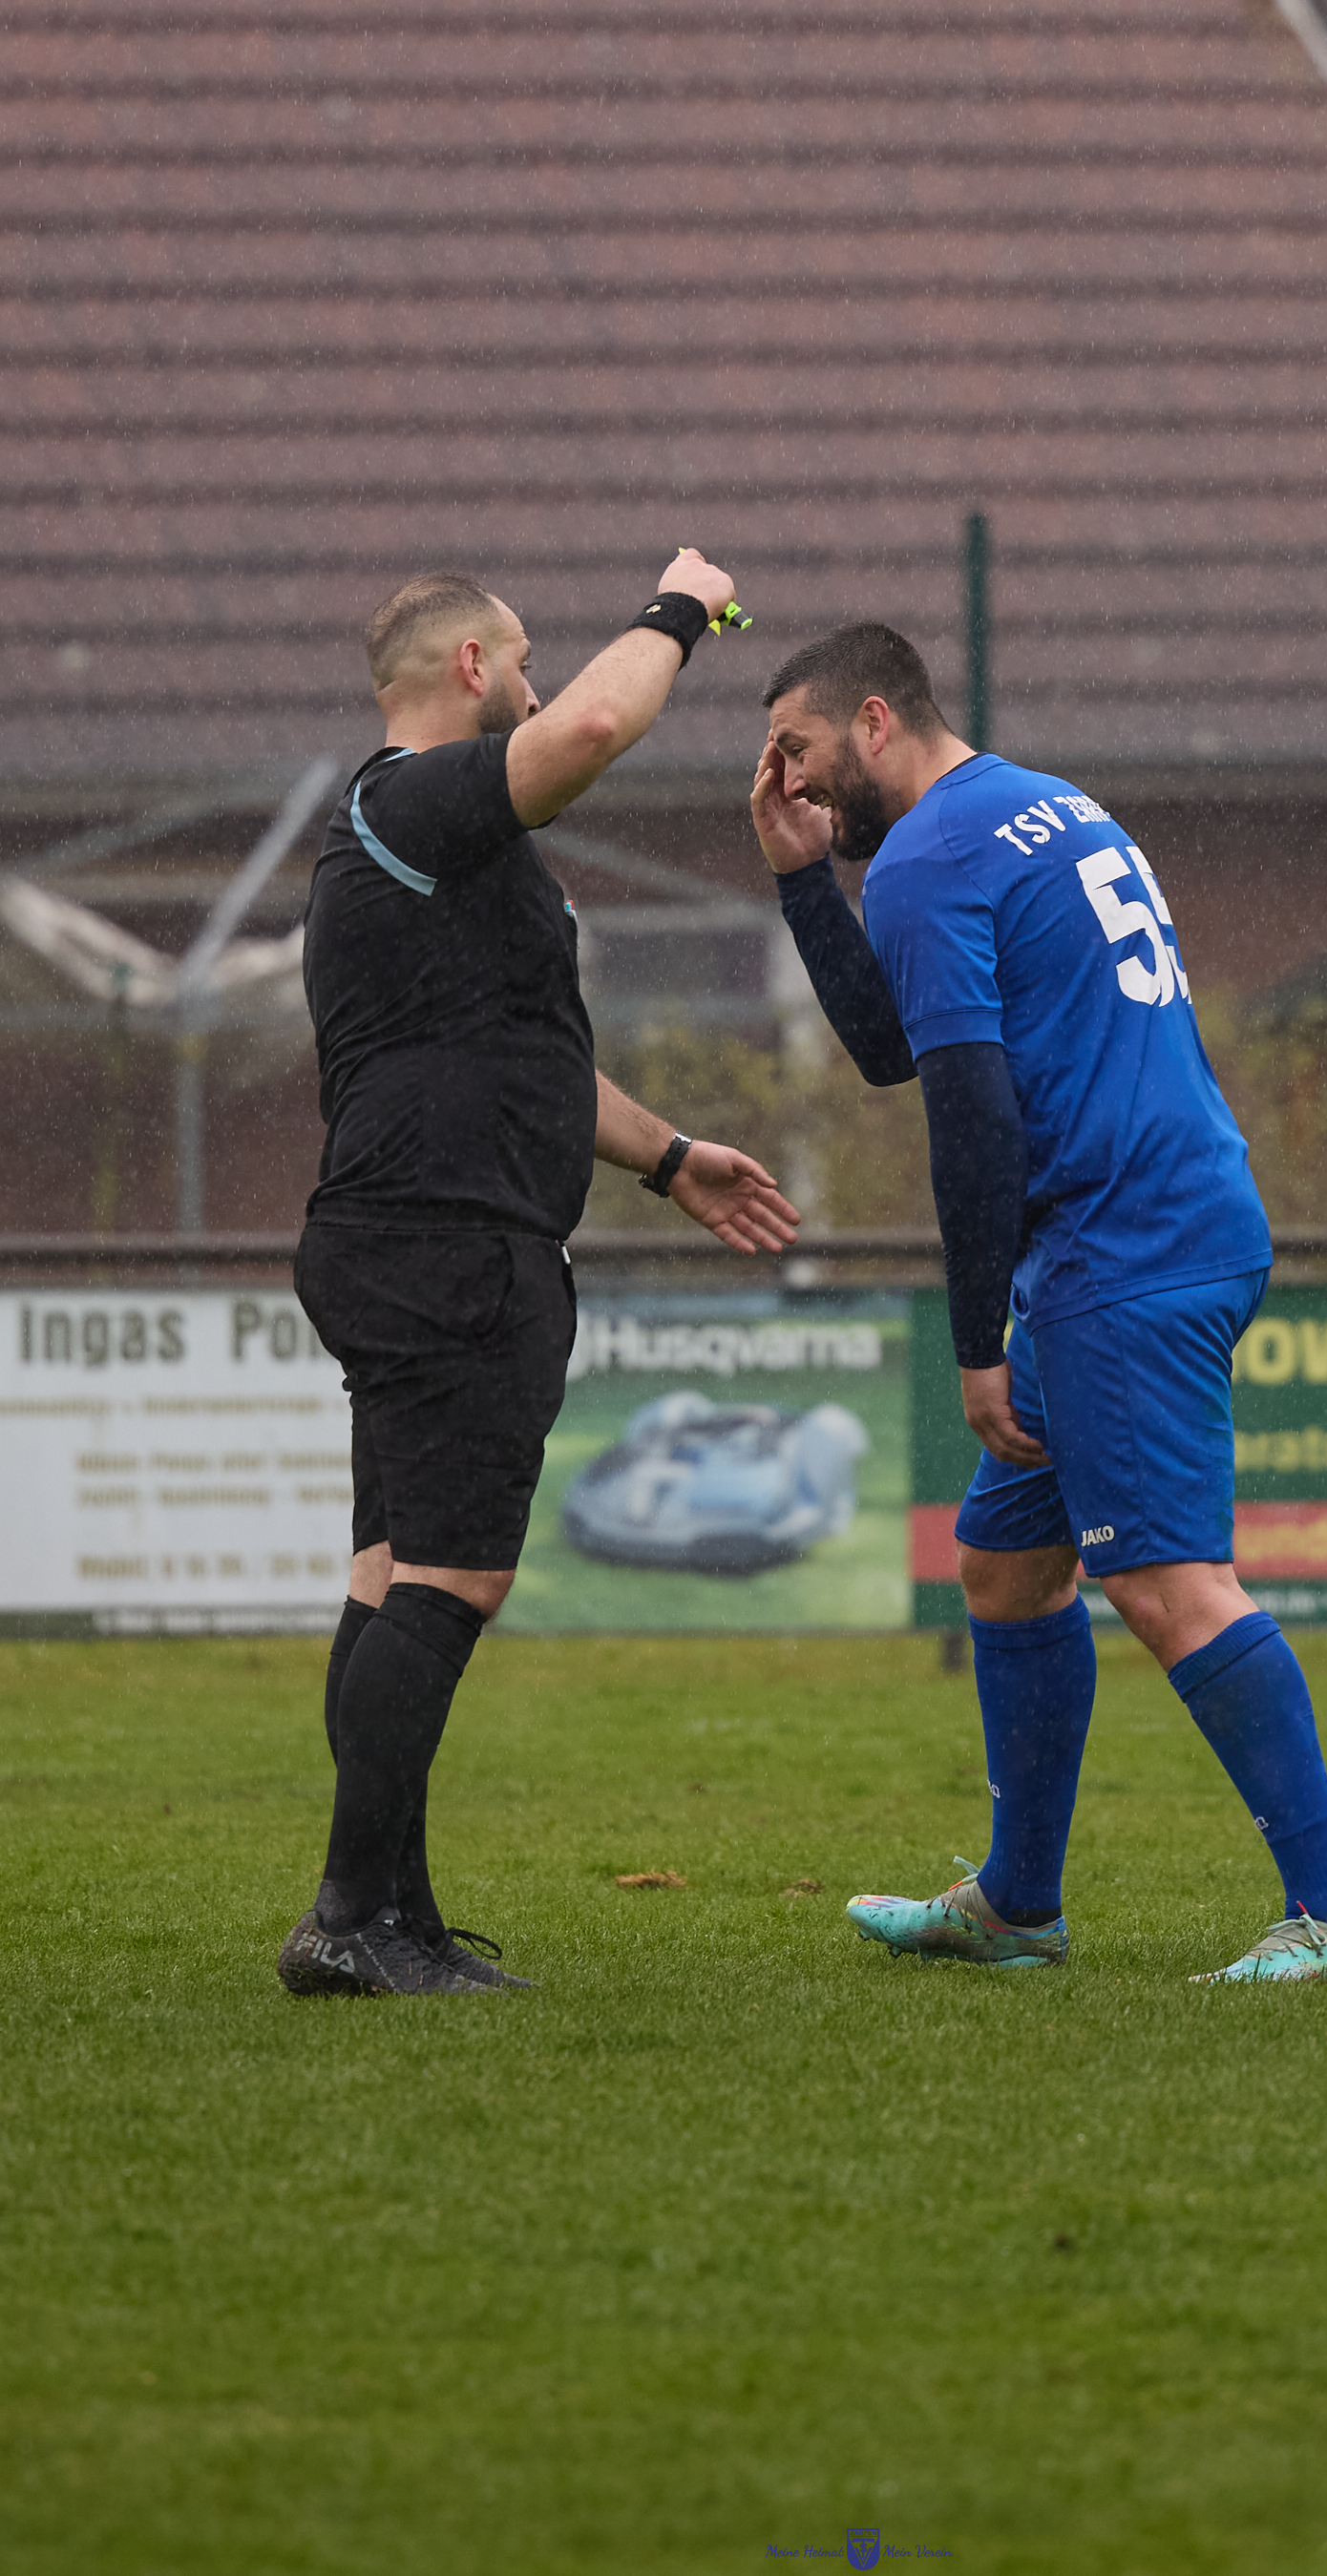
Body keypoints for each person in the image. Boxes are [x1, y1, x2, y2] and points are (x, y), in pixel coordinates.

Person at [749, 624, 1327, 1985]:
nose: (789, 780)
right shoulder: (1043, 803)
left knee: (1165, 1583)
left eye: (797, 750)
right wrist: (804, 882)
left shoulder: (927, 856)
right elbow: (897, 1050)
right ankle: (1015, 1907)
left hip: (1121, 1249)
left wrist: (976, 1339)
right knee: (1006, 1563)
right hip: (1174, 1213)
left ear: (875, 720)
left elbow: (969, 1116)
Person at [278, 555, 798, 2000]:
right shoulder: (412, 800)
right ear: (469, 670)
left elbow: (524, 1055)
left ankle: (395, 1917)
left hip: (411, 1233)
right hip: (449, 1241)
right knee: (455, 1580)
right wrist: (678, 609)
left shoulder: (434, 848)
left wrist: (667, 1155)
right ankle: (347, 1919)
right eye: (517, 657)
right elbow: (591, 730)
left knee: (393, 1580)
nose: (533, 679)